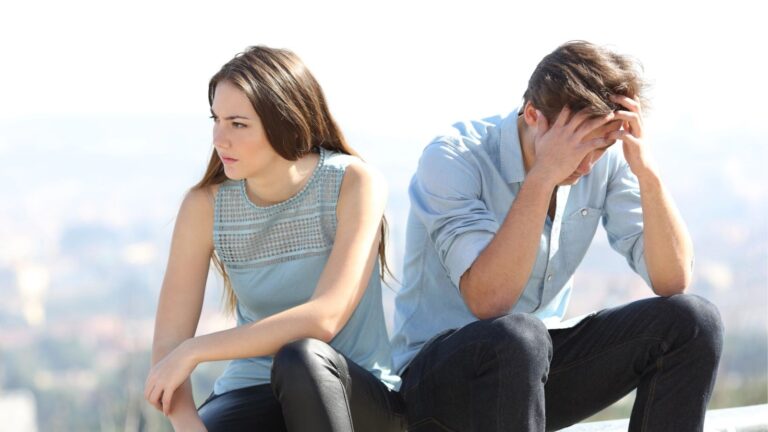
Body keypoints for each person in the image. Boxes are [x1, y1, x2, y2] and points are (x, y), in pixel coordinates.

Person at [391, 41, 723, 431]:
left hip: (534, 369)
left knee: (693, 321)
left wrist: (647, 175)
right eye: (578, 147)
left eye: (601, 147)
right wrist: (544, 175)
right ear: (534, 115)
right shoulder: (453, 158)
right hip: (438, 385)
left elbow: (672, 279)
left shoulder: (601, 161)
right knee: (519, 336)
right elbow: (490, 301)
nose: (587, 166)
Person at [144, 46, 405, 432]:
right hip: (251, 391)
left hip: (350, 391)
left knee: (301, 357)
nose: (219, 139)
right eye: (216, 119)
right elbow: (168, 349)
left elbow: (324, 318)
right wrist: (187, 424)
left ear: (286, 121)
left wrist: (195, 350)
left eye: (238, 124)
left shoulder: (354, 183)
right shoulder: (205, 206)